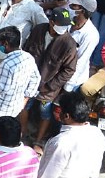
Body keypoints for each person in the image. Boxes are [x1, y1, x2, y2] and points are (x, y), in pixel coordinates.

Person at [0, 26, 41, 154]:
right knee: (3, 134)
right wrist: (26, 97)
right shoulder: (28, 57)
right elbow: (36, 78)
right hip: (15, 106)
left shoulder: (6, 64)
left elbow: (0, 88)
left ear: (5, 44)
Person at [22, 8, 79, 143]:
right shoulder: (38, 30)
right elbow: (26, 49)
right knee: (23, 106)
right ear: (51, 22)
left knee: (45, 113)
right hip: (29, 81)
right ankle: (22, 134)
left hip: (48, 89)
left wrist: (50, 85)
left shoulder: (68, 43)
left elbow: (69, 70)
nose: (63, 29)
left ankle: (38, 140)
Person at [66, 0, 99, 93]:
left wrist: (68, 86)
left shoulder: (91, 35)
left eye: (74, 5)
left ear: (82, 11)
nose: (70, 6)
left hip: (73, 81)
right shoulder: (68, 21)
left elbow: (81, 62)